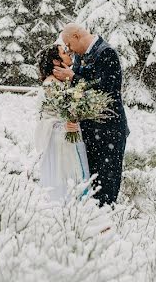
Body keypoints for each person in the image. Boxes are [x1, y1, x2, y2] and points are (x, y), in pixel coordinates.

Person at [53, 23, 129, 206]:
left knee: (107, 185)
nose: (69, 51)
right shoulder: (80, 58)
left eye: (69, 45)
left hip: (109, 131)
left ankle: (107, 225)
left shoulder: (107, 53)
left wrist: (73, 78)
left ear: (77, 36)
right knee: (90, 185)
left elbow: (106, 88)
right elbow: (81, 90)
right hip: (88, 132)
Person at [33, 43, 92, 202]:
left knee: (76, 179)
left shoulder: (64, 82)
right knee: (64, 181)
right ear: (56, 61)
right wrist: (64, 125)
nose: (69, 54)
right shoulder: (50, 85)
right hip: (59, 143)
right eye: (64, 52)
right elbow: (45, 117)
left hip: (71, 138)